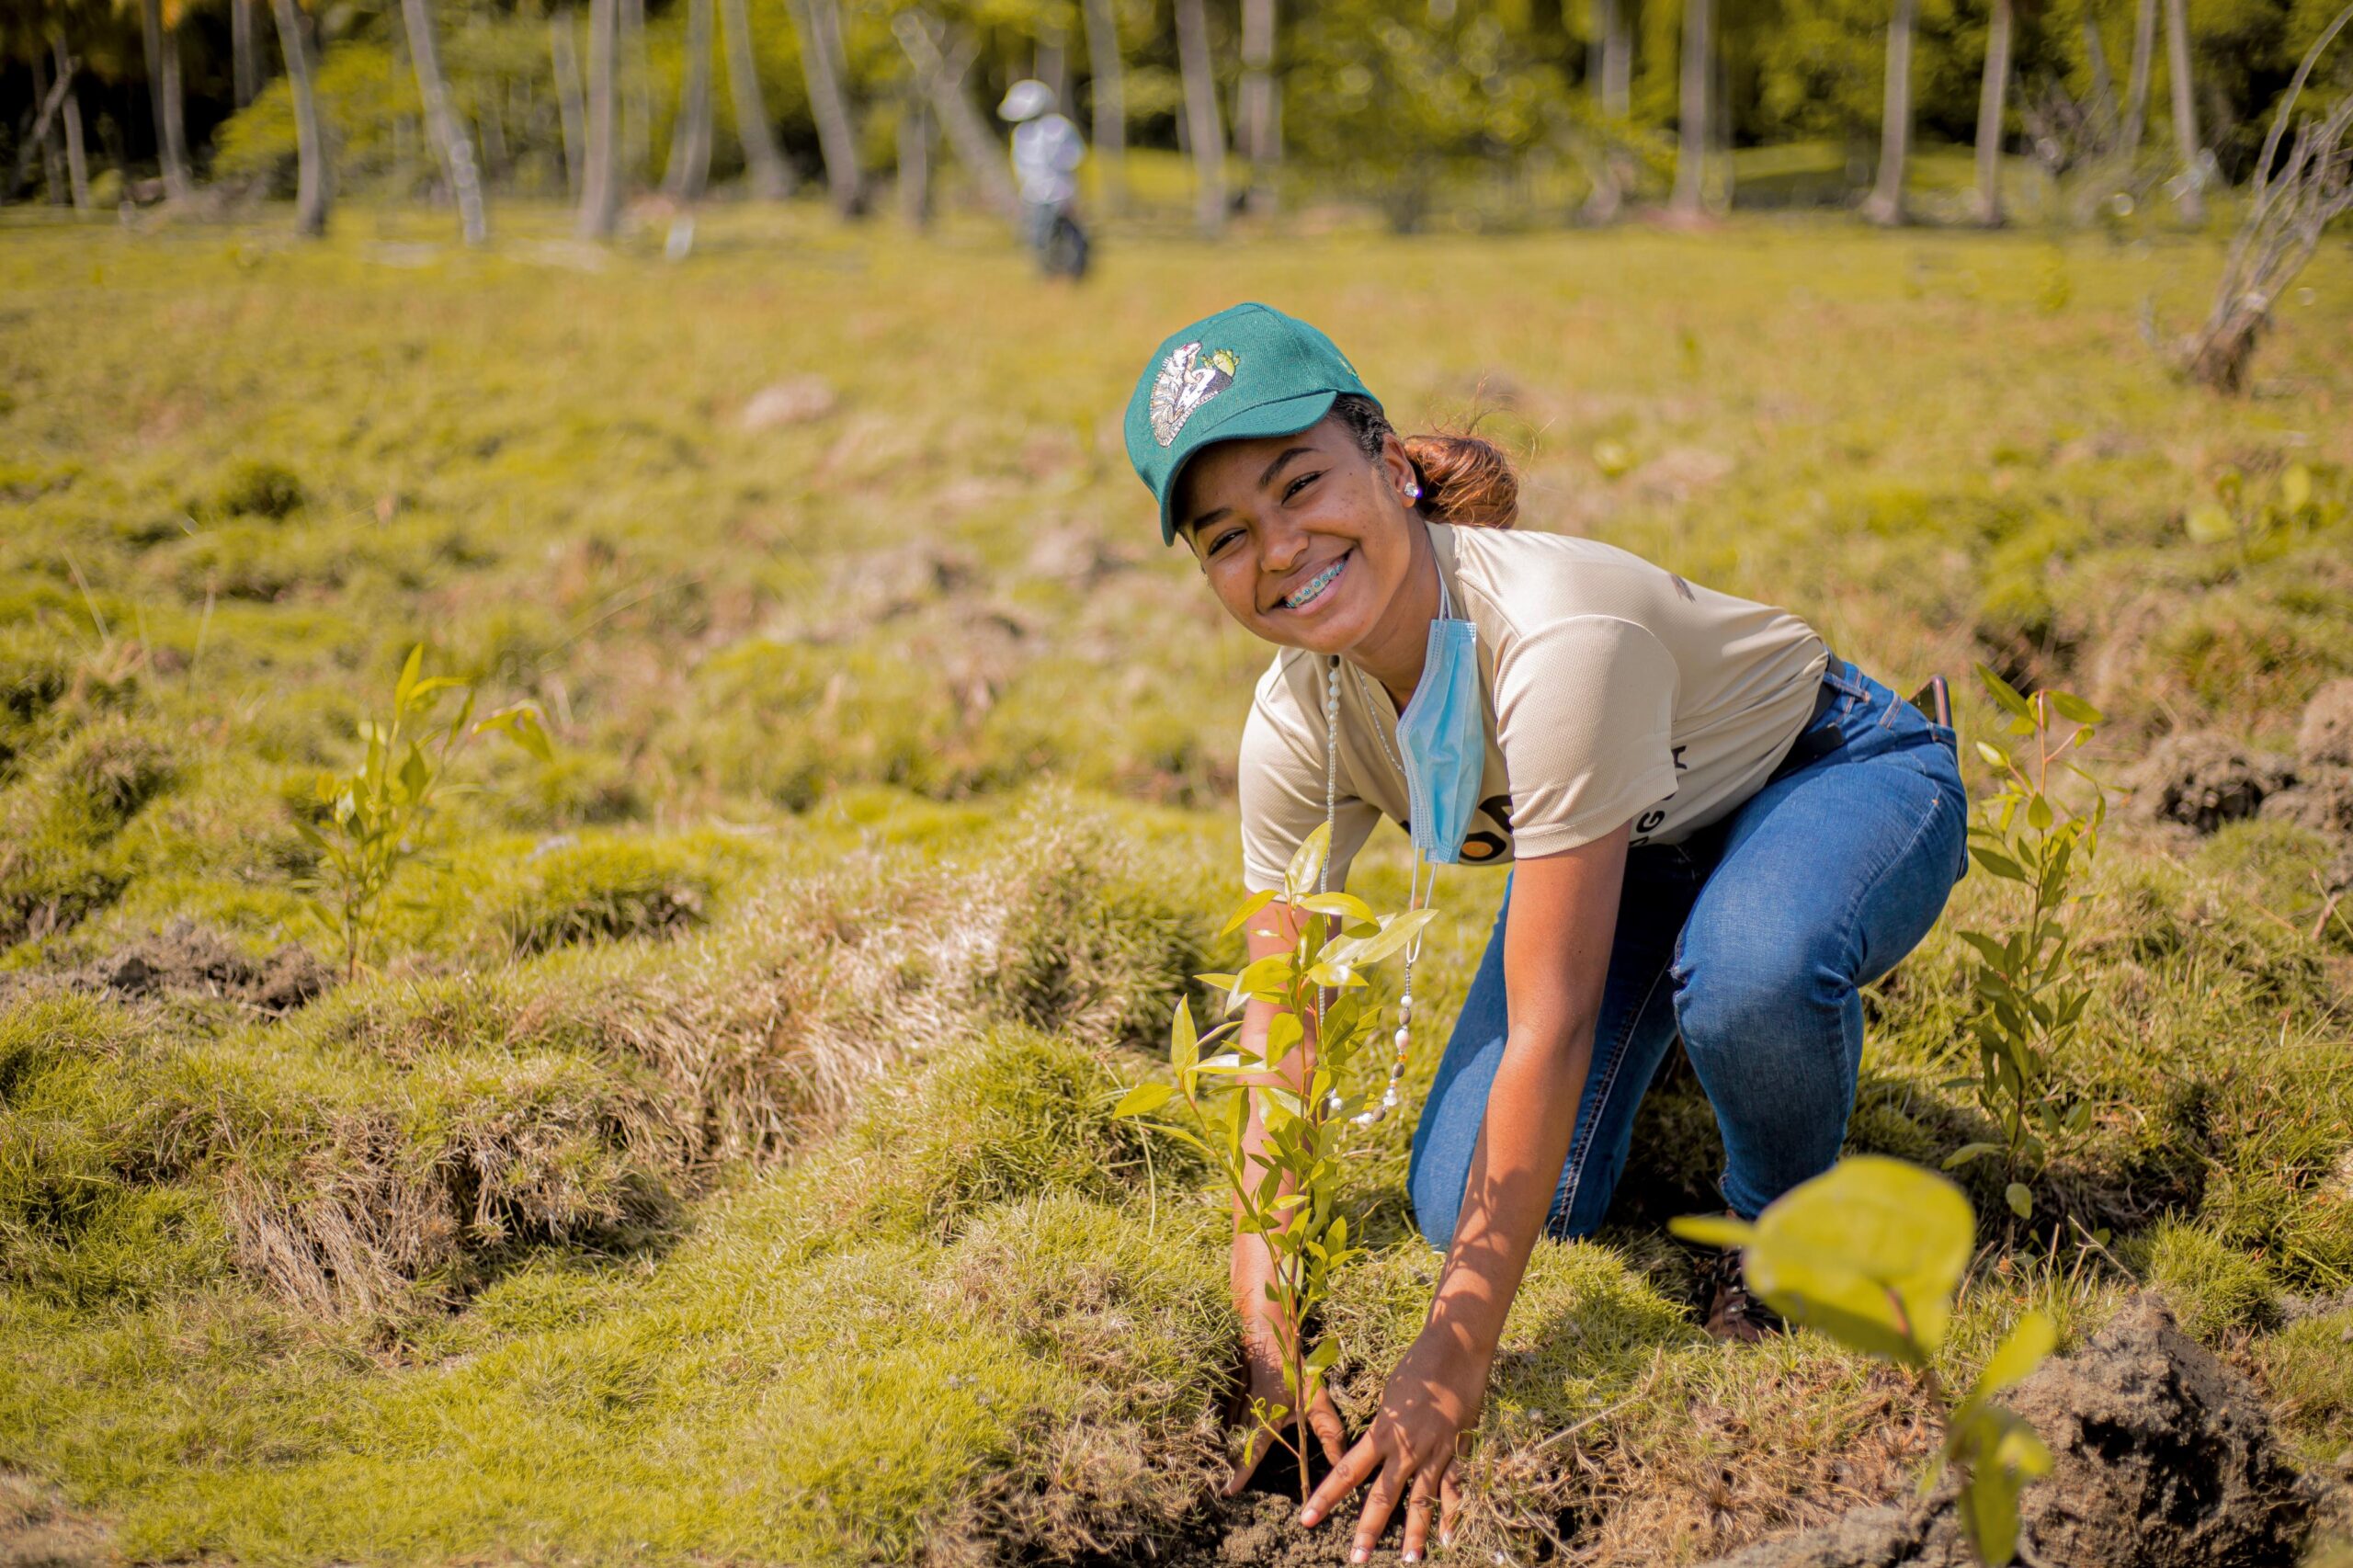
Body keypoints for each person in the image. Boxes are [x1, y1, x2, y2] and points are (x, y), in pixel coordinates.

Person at [1120, 303, 1969, 1562]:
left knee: (1751, 976)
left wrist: (1452, 1358)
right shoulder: (1298, 719)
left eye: (1302, 485)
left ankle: (1785, 1233)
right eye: (1228, 536)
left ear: (1392, 464)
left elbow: (1552, 1020)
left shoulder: (1558, 638)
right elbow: (1278, 1024)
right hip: (1630, 843)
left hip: (1827, 767)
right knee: (1455, 1199)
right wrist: (1267, 1307)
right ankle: (1718, 997)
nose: (1280, 549)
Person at [996, 78, 1088, 279]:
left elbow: (1072, 159)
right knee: (1039, 237)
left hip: (1060, 192)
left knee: (1070, 234)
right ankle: (1048, 274)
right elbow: (1025, 168)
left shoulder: (1058, 128)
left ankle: (1073, 273)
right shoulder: (1023, 134)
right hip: (1036, 194)